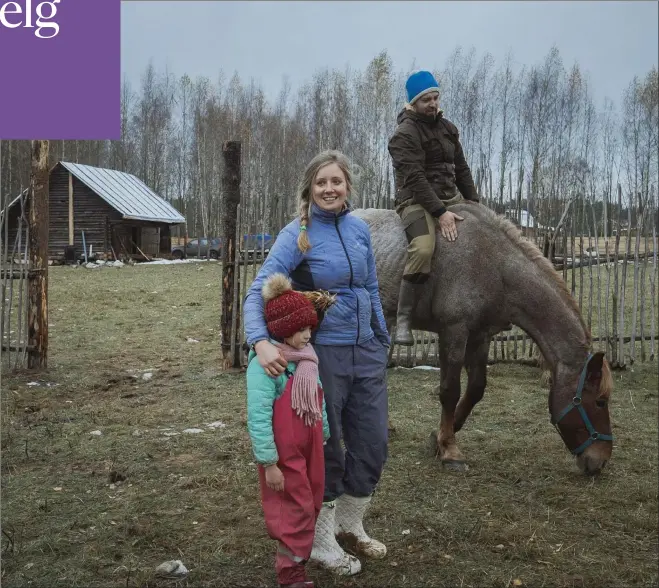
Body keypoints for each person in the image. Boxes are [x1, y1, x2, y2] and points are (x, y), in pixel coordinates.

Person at [243, 150, 391, 577]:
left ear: (347, 187)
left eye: (337, 181)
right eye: (321, 182)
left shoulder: (360, 229)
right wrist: (260, 343)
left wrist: (380, 338)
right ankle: (322, 541)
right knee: (327, 446)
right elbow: (259, 289)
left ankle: (350, 523)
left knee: (374, 441)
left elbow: (370, 288)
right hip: (322, 355)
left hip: (365, 352)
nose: (329, 189)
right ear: (309, 188)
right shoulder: (298, 234)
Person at [246, 272, 331, 588]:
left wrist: (322, 434)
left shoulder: (307, 360)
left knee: (311, 503)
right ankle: (291, 575)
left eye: (310, 327)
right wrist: (269, 464)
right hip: (283, 457)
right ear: (282, 329)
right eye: (300, 329)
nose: (308, 335)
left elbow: (317, 398)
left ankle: (299, 560)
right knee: (295, 510)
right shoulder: (266, 368)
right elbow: (258, 417)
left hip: (310, 450)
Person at [387, 69, 481, 346]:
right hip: (415, 200)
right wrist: (440, 213)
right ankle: (403, 318)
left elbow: (460, 168)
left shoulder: (448, 129)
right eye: (426, 99)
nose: (433, 104)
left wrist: (474, 204)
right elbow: (414, 178)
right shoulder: (404, 134)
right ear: (413, 103)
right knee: (423, 247)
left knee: (485, 232)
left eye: (435, 97)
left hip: (450, 196)